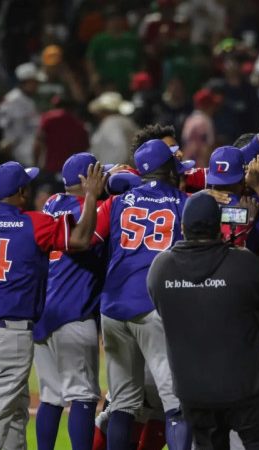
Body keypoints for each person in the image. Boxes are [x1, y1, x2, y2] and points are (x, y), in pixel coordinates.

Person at [0, 160, 105, 450]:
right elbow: (80, 239)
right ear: (21, 192)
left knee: (15, 408)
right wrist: (91, 196)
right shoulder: (33, 223)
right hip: (7, 334)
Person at [148, 192, 259, 449]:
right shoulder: (244, 263)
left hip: (194, 391)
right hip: (248, 388)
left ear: (183, 227)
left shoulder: (161, 267)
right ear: (218, 227)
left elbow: (162, 307)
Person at [92, 139, 192, 450]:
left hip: (112, 306)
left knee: (122, 404)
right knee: (175, 403)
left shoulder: (116, 203)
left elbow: (88, 239)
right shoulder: (184, 202)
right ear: (169, 170)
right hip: (154, 306)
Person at [34, 153, 106, 450]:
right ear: (86, 179)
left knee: (51, 396)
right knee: (83, 395)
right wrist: (93, 196)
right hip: (74, 312)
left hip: (43, 312)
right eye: (98, 173)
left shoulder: (53, 203)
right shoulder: (91, 210)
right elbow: (86, 237)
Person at [0, 62, 41, 166]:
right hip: (20, 149)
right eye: (34, 82)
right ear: (25, 82)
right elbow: (14, 131)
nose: (36, 85)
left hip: (29, 144)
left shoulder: (28, 97)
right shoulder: (14, 100)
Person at [88, 91, 138, 165]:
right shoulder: (127, 121)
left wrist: (115, 168)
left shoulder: (110, 123)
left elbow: (120, 148)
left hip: (118, 168)